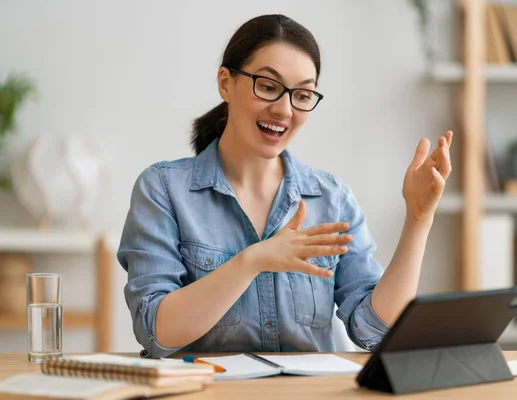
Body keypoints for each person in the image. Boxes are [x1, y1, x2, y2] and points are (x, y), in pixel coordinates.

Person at [118, 14, 453, 358]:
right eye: (267, 86)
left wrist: (418, 219)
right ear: (225, 83)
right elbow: (156, 332)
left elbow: (374, 329)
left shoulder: (332, 198)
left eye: (303, 95)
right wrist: (252, 261)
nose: (283, 109)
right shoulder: (162, 189)